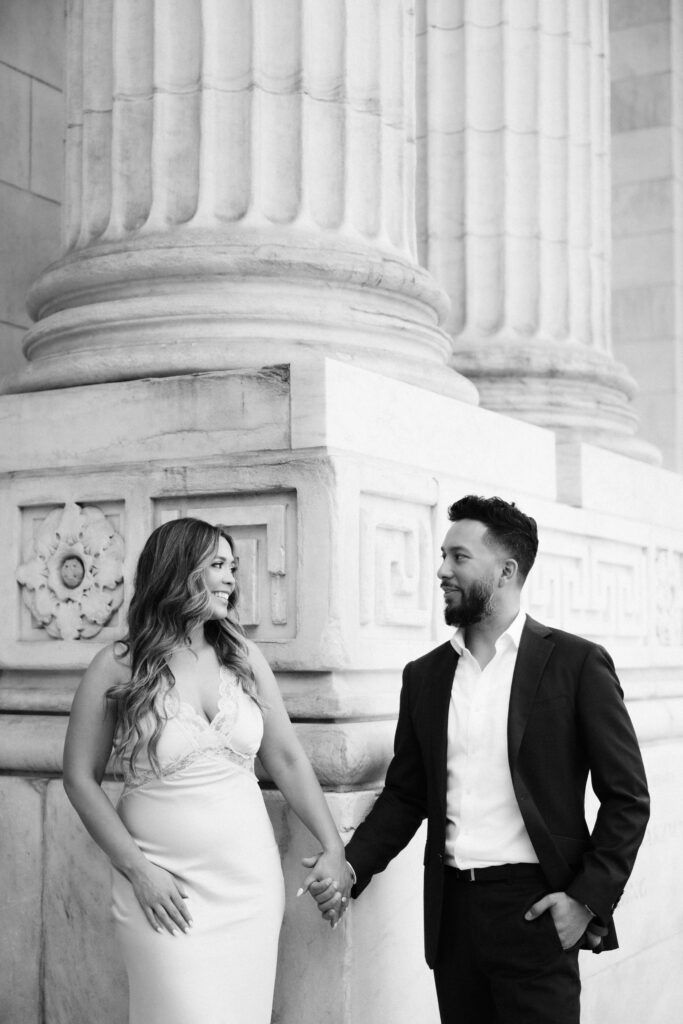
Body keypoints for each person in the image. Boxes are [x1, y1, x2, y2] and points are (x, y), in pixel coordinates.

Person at [306, 495, 650, 1024]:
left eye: (459, 557)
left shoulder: (576, 664)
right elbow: (406, 794)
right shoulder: (423, 676)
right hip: (453, 918)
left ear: (506, 570)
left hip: (536, 911)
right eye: (443, 556)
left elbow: (628, 798)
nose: (442, 570)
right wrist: (351, 866)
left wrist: (585, 900)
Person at [63, 518, 348, 1024]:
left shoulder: (243, 656)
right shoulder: (118, 665)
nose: (231, 578)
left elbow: (285, 758)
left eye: (232, 567)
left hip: (250, 889)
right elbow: (78, 777)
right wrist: (138, 870)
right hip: (161, 888)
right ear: (177, 571)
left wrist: (333, 844)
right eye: (217, 565)